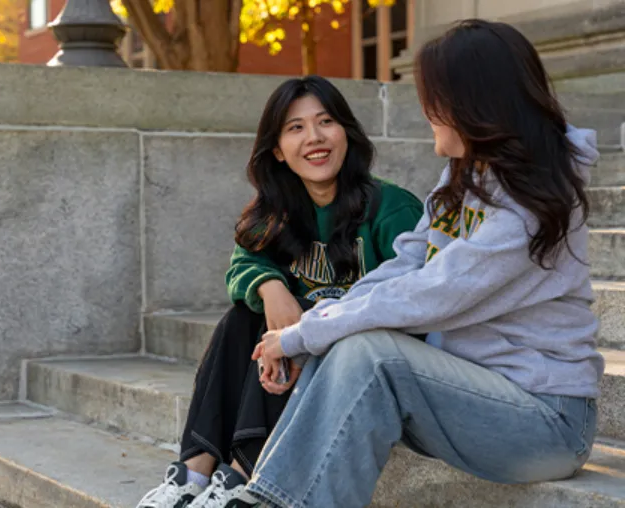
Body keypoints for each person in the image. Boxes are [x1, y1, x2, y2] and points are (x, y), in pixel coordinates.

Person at [245, 19, 605, 508]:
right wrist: (312, 330)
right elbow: (402, 268)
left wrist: (298, 335)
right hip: (468, 396)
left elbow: (435, 292)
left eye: (433, 96)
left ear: (472, 101)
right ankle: (264, 496)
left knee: (372, 352)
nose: (426, 110)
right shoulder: (464, 177)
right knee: (350, 339)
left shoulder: (533, 202)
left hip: (545, 422)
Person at [135, 76, 423, 508]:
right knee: (242, 318)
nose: (315, 138)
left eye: (326, 121)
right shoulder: (274, 212)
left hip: (365, 359)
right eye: (296, 128)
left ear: (346, 132)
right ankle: (192, 474)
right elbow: (242, 267)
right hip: (297, 353)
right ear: (277, 150)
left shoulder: (390, 206)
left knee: (290, 327)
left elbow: (410, 296)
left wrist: (302, 325)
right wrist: (271, 288)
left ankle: (243, 477)